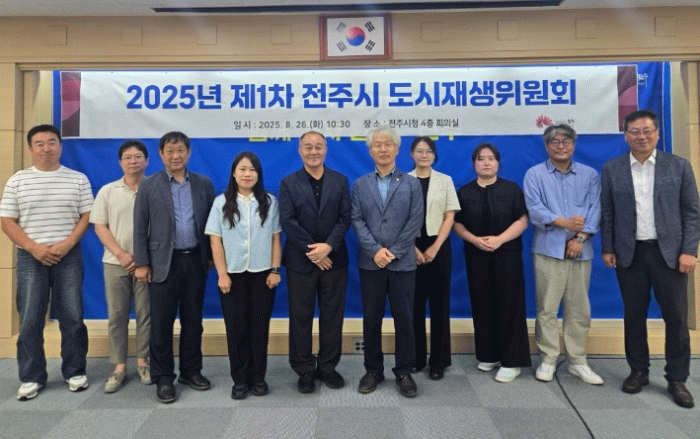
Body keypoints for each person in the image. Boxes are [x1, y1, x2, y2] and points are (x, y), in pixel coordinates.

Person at [601, 109, 699, 409]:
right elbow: (608, 212)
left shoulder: (678, 166)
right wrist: (608, 247)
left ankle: (677, 378)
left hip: (670, 254)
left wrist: (689, 251)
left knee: (676, 318)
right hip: (630, 253)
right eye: (634, 131)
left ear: (657, 134)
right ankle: (638, 371)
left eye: (647, 131)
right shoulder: (613, 169)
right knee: (634, 316)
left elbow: (692, 213)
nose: (641, 136)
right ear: (625, 135)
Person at [1, 124, 93, 400]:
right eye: (39, 143)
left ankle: (75, 371)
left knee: (73, 316)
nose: (46, 148)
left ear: (60, 147)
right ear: (31, 149)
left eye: (52, 142)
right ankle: (31, 376)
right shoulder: (17, 181)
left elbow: (87, 216)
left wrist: (67, 244)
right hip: (31, 258)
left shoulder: (78, 179)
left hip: (68, 256)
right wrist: (34, 248)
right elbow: (7, 220)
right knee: (30, 318)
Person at [133, 131, 215, 404]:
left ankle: (191, 371)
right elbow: (139, 226)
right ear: (161, 154)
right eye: (170, 151)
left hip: (195, 261)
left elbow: (212, 225)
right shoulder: (149, 185)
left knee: (193, 322)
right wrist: (142, 263)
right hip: (161, 264)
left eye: (180, 150)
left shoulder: (203, 184)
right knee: (161, 324)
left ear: (189, 152)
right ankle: (163, 377)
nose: (176, 156)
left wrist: (212, 256)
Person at [523, 123, 604, 386]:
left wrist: (579, 238)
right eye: (555, 142)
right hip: (548, 249)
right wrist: (564, 223)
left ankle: (577, 361)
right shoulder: (535, 174)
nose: (561, 146)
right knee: (547, 308)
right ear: (546, 146)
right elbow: (535, 209)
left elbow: (596, 209)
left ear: (574, 144)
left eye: (566, 141)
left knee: (578, 309)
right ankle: (548, 358)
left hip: (581, 250)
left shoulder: (589, 175)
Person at [351, 126, 423, 398]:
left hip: (402, 263)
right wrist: (375, 251)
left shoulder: (412, 183)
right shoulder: (360, 184)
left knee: (405, 319)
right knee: (372, 319)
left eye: (388, 144)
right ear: (370, 151)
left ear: (397, 149)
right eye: (377, 145)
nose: (383, 149)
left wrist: (393, 252)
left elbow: (415, 220)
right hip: (371, 264)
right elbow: (357, 219)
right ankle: (373, 370)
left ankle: (404, 371)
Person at [206, 151, 281, 400]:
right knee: (236, 329)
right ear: (234, 173)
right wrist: (222, 274)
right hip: (232, 276)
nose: (247, 174)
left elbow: (276, 238)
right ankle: (239, 380)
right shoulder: (221, 202)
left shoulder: (269, 201)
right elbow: (215, 241)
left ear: (258, 174)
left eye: (252, 170)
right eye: (242, 169)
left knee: (259, 328)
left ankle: (258, 378)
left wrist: (275, 270)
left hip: (263, 275)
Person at [453, 143, 531, 383]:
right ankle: (489, 354)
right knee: (482, 303)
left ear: (498, 162)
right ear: (474, 163)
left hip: (507, 253)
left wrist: (499, 240)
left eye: (491, 158)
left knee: (510, 305)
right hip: (476, 254)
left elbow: (522, 219)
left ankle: (511, 362)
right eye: (480, 158)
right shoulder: (465, 192)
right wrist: (474, 240)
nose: (486, 162)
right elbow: (456, 223)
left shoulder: (512, 189)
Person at [279, 131, 351, 394]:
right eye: (308, 147)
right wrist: (314, 252)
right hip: (301, 262)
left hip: (334, 260)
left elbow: (345, 218)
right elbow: (287, 221)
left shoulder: (340, 181)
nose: (313, 152)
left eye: (318, 146)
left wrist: (328, 247)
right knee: (300, 317)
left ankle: (328, 367)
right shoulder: (288, 183)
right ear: (300, 150)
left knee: (332, 316)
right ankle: (305, 369)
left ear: (326, 149)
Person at [90, 140, 151, 393]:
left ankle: (143, 362)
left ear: (146, 161)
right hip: (116, 263)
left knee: (146, 315)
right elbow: (99, 226)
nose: (133, 161)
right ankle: (119, 367)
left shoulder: (154, 188)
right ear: (120, 162)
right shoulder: (108, 191)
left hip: (147, 265)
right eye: (128, 157)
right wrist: (121, 254)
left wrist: (144, 259)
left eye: (138, 157)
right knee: (117, 316)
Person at [407, 136, 459, 381]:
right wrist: (411, 248)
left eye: (428, 151)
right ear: (411, 154)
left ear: (434, 155)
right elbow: (399, 219)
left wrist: (436, 246)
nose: (424, 155)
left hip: (439, 246)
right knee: (414, 306)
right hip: (410, 246)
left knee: (439, 306)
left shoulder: (445, 180)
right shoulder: (403, 180)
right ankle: (416, 358)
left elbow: (450, 217)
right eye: (419, 151)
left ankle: (439, 361)